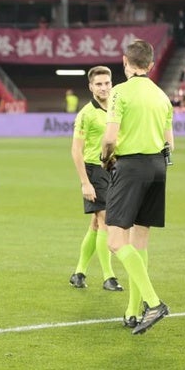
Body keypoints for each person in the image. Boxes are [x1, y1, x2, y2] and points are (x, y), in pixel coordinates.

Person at [100, 39, 173, 335]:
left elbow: (109, 138)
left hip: (130, 167)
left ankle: (153, 303)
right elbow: (171, 145)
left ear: (125, 62)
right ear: (152, 65)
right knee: (139, 241)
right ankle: (133, 311)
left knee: (115, 241)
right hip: (158, 168)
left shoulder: (119, 92)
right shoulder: (162, 96)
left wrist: (106, 158)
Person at [69, 66, 122, 292]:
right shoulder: (85, 114)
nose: (103, 88)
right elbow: (76, 151)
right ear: (90, 87)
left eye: (107, 83)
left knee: (95, 223)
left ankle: (79, 272)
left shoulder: (117, 109)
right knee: (105, 220)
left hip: (115, 169)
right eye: (98, 84)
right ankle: (109, 277)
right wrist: (85, 182)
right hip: (94, 170)